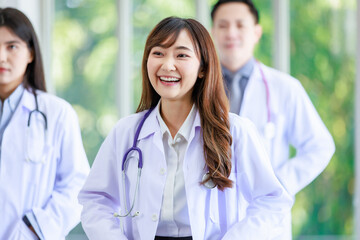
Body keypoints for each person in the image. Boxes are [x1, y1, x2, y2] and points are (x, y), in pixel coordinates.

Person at [78, 16, 293, 240]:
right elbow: (95, 201)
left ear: (202, 68)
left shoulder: (235, 131)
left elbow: (272, 200)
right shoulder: (126, 132)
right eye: (158, 53)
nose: (167, 65)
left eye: (182, 55)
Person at [211, 0, 336, 238]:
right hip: (212, 220)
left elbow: (320, 146)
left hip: (265, 225)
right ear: (212, 32)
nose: (231, 33)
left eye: (240, 25)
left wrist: (279, 183)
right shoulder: (196, 89)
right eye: (223, 26)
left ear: (257, 32)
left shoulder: (285, 87)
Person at [0, 8, 90, 240]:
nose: (1, 57)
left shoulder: (57, 114)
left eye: (12, 46)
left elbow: (77, 187)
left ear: (30, 53)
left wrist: (34, 229)